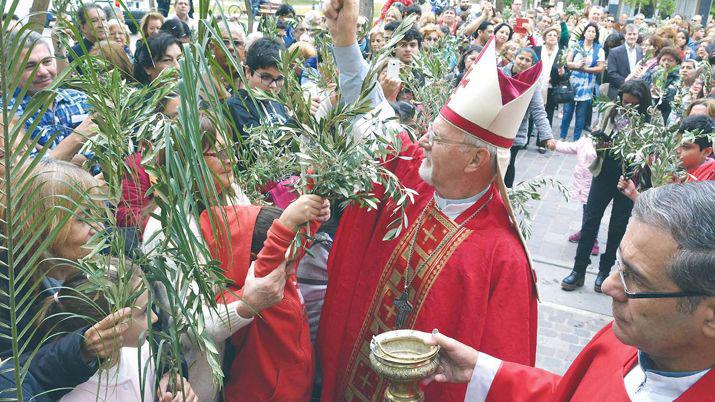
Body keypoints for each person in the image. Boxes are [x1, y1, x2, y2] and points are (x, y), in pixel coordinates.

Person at [319, 0, 541, 400]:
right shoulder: (411, 180)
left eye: (437, 138)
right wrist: (345, 41)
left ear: (476, 159)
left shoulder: (502, 258)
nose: (422, 140)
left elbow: (502, 375)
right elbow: (374, 114)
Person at [426, 181, 715, 402]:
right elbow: (572, 394)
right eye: (618, 265)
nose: (607, 286)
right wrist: (480, 370)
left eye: (635, 279)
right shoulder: (623, 342)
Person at [0, 160, 139, 399]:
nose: (98, 227)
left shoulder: (109, 254)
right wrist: (80, 349)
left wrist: (171, 373)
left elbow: (151, 324)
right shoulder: (8, 290)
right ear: (41, 224)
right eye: (82, 218)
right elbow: (11, 376)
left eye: (98, 213)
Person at [200, 195, 330, 402]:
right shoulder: (252, 290)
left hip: (296, 390)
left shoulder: (283, 272)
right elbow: (271, 256)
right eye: (287, 261)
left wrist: (316, 207)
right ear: (254, 257)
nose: (293, 268)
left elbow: (292, 247)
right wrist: (285, 223)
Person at [562, 80, 651, 293]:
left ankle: (604, 271)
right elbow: (599, 141)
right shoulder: (611, 109)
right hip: (604, 171)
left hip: (628, 177)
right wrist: (601, 140)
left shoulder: (648, 120)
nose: (626, 107)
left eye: (632, 105)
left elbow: (647, 154)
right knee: (590, 220)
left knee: (617, 226)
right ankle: (579, 269)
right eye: (624, 102)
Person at [6, 30, 97, 163]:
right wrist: (80, 135)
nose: (42, 72)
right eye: (30, 66)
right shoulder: (6, 115)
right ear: (10, 72)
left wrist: (52, 156)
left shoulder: (79, 99)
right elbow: (29, 172)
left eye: (47, 62)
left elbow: (105, 156)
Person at [502, 48, 556, 188]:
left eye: (528, 60)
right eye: (521, 58)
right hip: (494, 127)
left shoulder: (533, 83)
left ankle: (507, 197)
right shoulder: (500, 73)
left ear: (532, 64)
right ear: (514, 57)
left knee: (508, 164)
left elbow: (538, 110)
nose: (523, 62)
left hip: (514, 131)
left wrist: (547, 136)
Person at [226, 37, 289, 140]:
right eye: (265, 77)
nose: (273, 85)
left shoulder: (277, 102)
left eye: (279, 78)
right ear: (248, 72)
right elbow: (262, 151)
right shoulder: (236, 106)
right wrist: (297, 121)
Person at [547, 134, 600, 255]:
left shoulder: (603, 145)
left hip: (594, 186)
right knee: (587, 211)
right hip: (583, 184)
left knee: (593, 213)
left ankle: (593, 239)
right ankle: (585, 232)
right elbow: (571, 147)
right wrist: (556, 145)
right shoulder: (586, 140)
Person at [560, 23, 604, 141]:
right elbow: (567, 63)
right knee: (567, 112)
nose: (590, 33)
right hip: (572, 84)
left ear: (596, 35)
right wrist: (576, 65)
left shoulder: (598, 49)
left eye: (593, 32)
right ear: (584, 33)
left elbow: (601, 68)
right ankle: (562, 136)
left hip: (587, 87)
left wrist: (586, 69)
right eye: (588, 31)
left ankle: (576, 139)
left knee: (581, 115)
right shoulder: (576, 46)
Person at [607, 24, 643, 100]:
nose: (632, 37)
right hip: (617, 91)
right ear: (624, 35)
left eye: (634, 34)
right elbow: (611, 73)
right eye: (629, 34)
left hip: (634, 93)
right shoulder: (614, 52)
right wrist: (626, 83)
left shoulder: (640, 50)